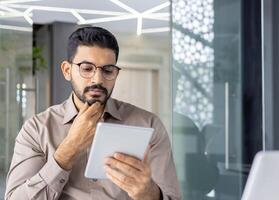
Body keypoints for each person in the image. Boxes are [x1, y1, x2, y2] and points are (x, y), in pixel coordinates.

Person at [5, 26, 181, 200]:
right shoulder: (36, 129)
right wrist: (69, 150)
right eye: (87, 68)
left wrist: (149, 194)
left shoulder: (148, 125)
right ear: (67, 71)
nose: (98, 79)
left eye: (108, 70)